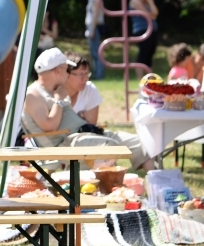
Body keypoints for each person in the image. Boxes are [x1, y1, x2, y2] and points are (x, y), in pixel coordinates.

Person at [22, 47, 153, 171]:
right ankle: (97, 186)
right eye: (66, 70)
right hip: (66, 143)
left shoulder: (55, 90)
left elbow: (63, 119)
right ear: (57, 71)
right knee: (109, 147)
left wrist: (80, 118)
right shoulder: (33, 94)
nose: (67, 74)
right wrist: (59, 100)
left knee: (141, 142)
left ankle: (156, 181)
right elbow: (49, 127)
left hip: (82, 134)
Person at [63, 52, 101, 126]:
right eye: (81, 74)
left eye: (87, 74)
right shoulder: (52, 92)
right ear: (66, 74)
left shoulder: (90, 89)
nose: (85, 79)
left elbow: (91, 127)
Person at [81, 0, 107, 80]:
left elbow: (96, 14)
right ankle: (97, 73)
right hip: (92, 26)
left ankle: (99, 74)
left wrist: (92, 29)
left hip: (93, 26)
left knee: (96, 51)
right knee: (94, 51)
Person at [129, 0, 159, 69]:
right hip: (142, 29)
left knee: (150, 52)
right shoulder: (135, 0)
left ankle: (148, 76)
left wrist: (150, 1)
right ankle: (140, 78)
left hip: (152, 29)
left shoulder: (148, 0)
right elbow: (147, 14)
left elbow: (156, 13)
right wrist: (152, 15)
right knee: (144, 52)